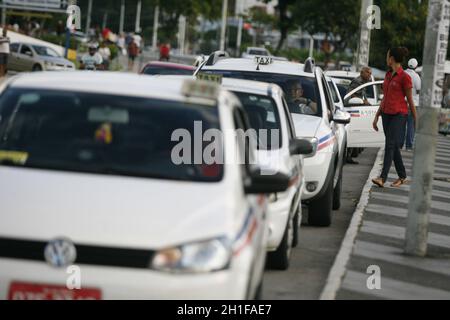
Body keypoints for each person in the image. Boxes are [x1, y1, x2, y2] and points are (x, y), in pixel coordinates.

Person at [372, 47, 417, 188]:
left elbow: (410, 101)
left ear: (391, 59)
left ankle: (382, 177)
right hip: (386, 114)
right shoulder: (388, 74)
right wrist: (377, 115)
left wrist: (416, 120)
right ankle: (402, 176)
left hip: (399, 114)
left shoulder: (405, 77)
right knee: (393, 146)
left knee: (390, 144)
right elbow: (385, 97)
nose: (386, 59)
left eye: (387, 56)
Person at [345, 66, 373, 164]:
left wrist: (367, 103)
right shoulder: (357, 82)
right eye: (368, 73)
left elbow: (362, 96)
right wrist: (364, 102)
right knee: (352, 133)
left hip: (358, 109)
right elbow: (352, 95)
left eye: (370, 73)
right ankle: (347, 156)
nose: (370, 75)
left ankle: (349, 155)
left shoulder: (363, 82)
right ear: (362, 73)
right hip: (353, 109)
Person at [401, 58, 421, 150]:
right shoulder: (416, 77)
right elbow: (418, 90)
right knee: (411, 125)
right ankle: (409, 145)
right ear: (416, 66)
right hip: (413, 104)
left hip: (402, 103)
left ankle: (400, 144)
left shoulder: (402, 74)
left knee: (401, 124)